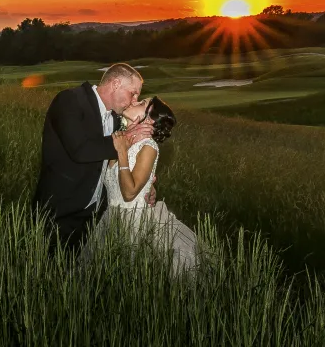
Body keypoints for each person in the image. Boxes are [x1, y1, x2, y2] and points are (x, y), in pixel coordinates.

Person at [33, 63, 156, 254]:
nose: (134, 100)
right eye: (133, 93)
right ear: (115, 84)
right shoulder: (70, 100)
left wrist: (146, 186)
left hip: (95, 217)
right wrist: (127, 139)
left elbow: (116, 164)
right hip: (60, 214)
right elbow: (81, 150)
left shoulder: (117, 119)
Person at [83, 96, 202, 276]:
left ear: (149, 120)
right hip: (111, 219)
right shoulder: (121, 135)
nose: (133, 102)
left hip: (135, 224)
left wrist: (122, 152)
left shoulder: (149, 147)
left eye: (141, 103)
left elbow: (130, 193)